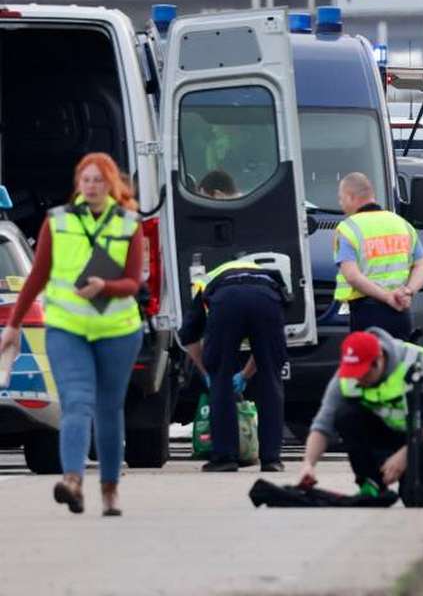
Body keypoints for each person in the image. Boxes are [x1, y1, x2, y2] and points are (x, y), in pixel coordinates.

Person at [0, 153, 144, 516]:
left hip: (117, 330)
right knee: (76, 403)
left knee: (109, 409)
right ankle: (73, 481)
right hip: (67, 328)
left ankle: (110, 489)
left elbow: (133, 282)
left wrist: (104, 286)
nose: (91, 186)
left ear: (110, 184)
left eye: (98, 180)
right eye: (86, 179)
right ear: (78, 184)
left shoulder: (128, 224)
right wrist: (14, 325)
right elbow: (36, 277)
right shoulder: (57, 222)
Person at [297, 329, 423, 502]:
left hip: (417, 437)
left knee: (416, 498)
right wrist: (308, 464)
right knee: (345, 415)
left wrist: (405, 455)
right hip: (380, 434)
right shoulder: (347, 375)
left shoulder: (415, 363)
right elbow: (323, 424)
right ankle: (371, 482)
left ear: (379, 360)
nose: (358, 379)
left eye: (363, 373)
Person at [179, 257, 289, 472]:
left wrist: (208, 372)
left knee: (220, 379)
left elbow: (189, 336)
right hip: (266, 299)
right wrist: (246, 375)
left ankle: (224, 458)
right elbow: (266, 350)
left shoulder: (204, 283)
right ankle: (271, 459)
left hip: (226, 301)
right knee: (271, 379)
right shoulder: (267, 278)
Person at [334, 172, 423, 340]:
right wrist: (408, 291)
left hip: (367, 314)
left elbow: (352, 276)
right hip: (401, 312)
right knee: (399, 363)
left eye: (341, 199)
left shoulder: (348, 229)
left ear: (350, 197)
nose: (341, 205)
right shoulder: (402, 224)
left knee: (370, 364)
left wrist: (387, 297)